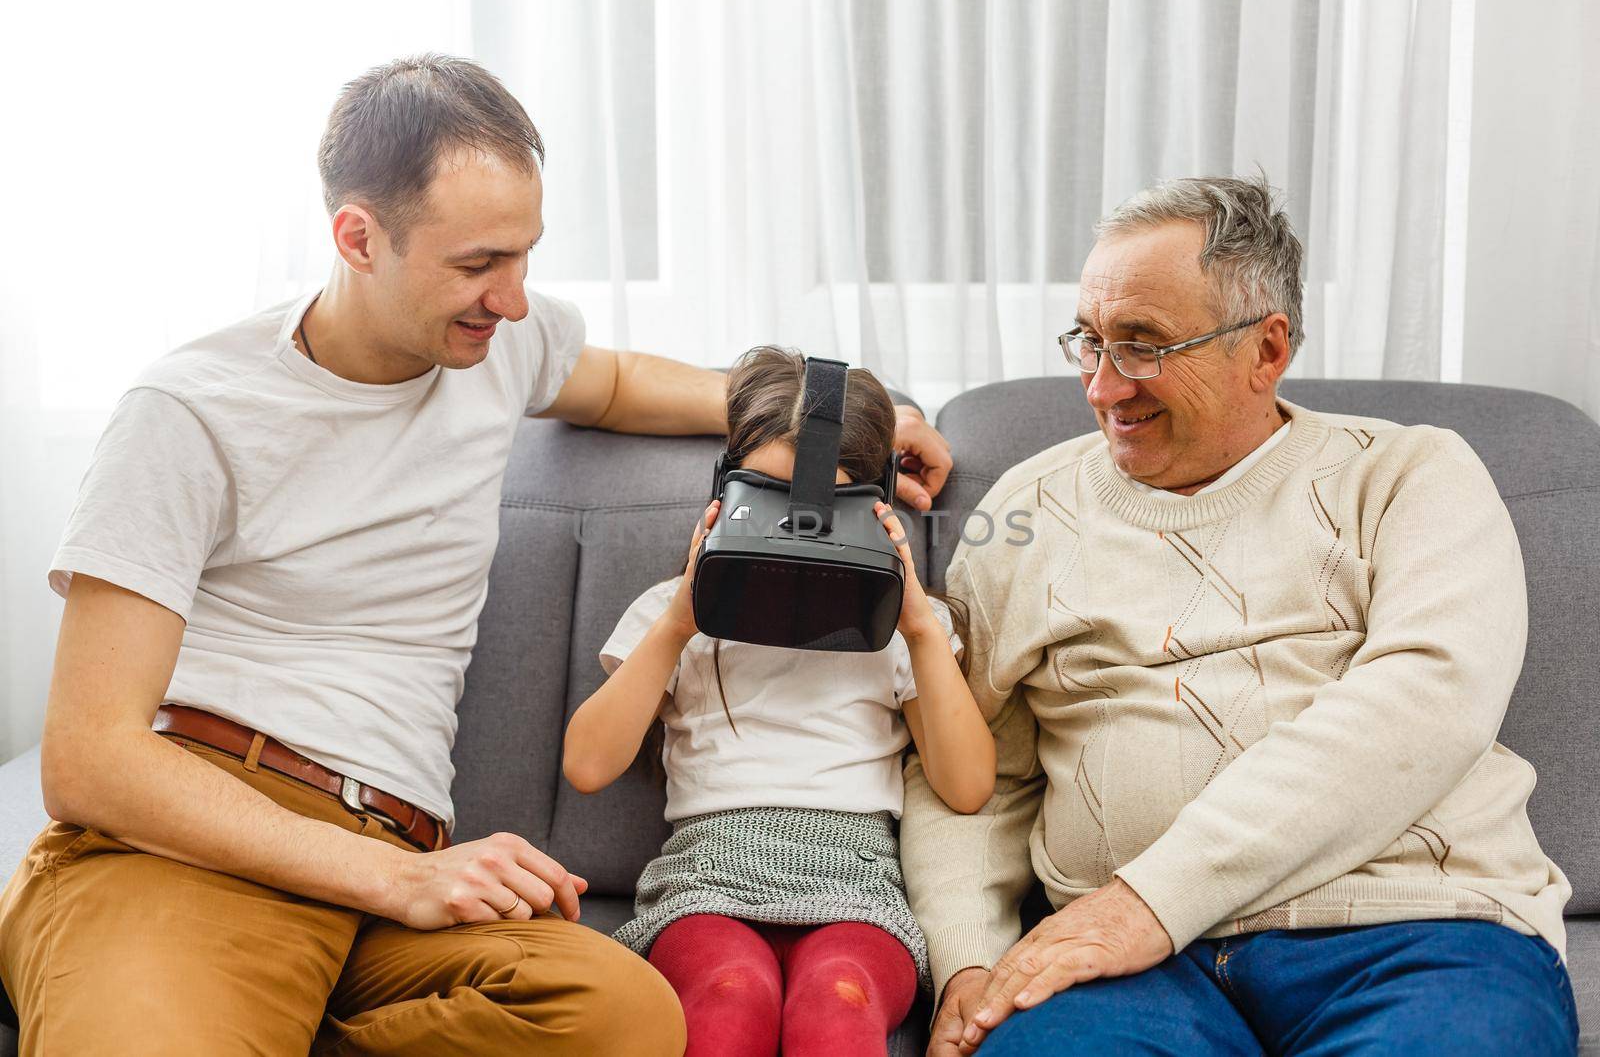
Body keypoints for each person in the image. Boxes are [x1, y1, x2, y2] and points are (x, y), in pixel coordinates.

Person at [0, 55, 952, 1056]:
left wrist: (846, 422)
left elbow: (622, 382)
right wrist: (395, 877)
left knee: (626, 1016)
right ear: (357, 237)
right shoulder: (191, 409)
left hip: (394, 873)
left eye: (526, 257)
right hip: (199, 843)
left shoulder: (499, 344)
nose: (512, 298)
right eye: (477, 264)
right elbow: (89, 758)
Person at [904, 175, 1578, 1056]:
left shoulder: (1414, 475)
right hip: (1115, 972)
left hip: (1411, 931)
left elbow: (1428, 700)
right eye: (1090, 342)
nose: (1105, 387)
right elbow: (967, 770)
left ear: (1266, 349)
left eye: (1142, 347)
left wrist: (1149, 900)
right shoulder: (1024, 512)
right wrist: (966, 959)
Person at [562, 346, 995, 1056]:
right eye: (766, 497)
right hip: (709, 881)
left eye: (826, 508)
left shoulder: (903, 633)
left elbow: (969, 785)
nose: (796, 531)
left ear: (876, 502)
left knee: (838, 998)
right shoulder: (673, 619)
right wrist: (678, 623)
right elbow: (587, 764)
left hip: (856, 887)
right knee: (729, 993)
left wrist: (916, 625)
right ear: (725, 487)